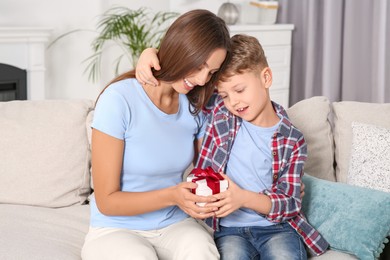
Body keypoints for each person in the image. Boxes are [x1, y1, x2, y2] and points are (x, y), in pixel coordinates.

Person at [136, 34, 328, 260]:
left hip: (277, 229)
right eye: (225, 95)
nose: (233, 102)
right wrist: (152, 54)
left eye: (239, 90)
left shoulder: (292, 139)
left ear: (266, 78)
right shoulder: (221, 113)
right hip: (230, 231)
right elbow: (187, 80)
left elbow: (290, 202)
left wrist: (242, 198)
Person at [81, 9, 231, 260]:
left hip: (174, 225)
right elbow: (107, 201)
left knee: (201, 249)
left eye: (212, 72)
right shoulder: (119, 100)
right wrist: (173, 195)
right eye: (201, 65)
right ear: (181, 50)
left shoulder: (195, 106)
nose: (203, 79)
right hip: (116, 228)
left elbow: (211, 169)